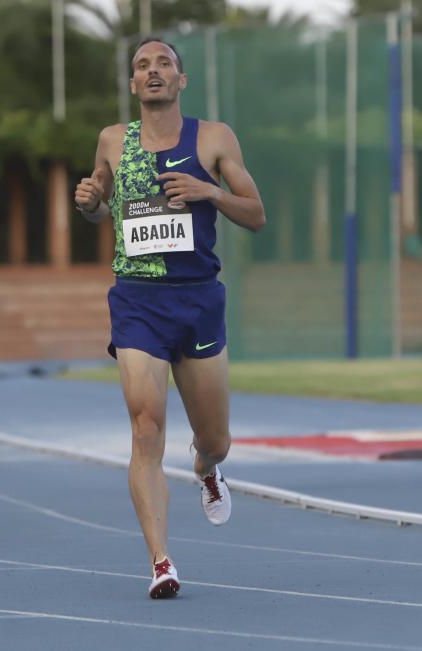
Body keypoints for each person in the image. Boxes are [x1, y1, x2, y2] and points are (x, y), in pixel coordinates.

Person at [73, 37, 265, 599]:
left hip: (198, 298)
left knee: (217, 437)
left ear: (181, 80)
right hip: (137, 299)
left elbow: (256, 214)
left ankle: (206, 469)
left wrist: (209, 191)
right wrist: (89, 201)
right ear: (133, 84)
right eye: (142, 65)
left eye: (163, 64)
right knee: (145, 426)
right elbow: (98, 202)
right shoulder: (113, 140)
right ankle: (161, 561)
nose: (152, 71)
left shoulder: (213, 137)